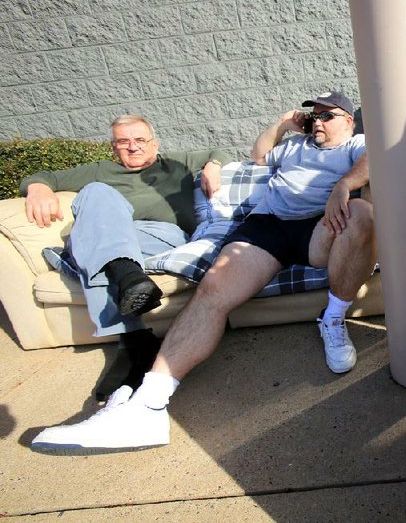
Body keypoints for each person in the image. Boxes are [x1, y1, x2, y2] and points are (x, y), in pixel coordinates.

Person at [30, 91, 378, 454]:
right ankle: (147, 405)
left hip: (320, 228)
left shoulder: (356, 145)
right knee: (213, 289)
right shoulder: (294, 146)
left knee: (363, 214)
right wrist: (281, 124)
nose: (318, 122)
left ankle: (333, 319)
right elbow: (258, 155)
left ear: (349, 120)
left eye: (328, 116)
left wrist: (343, 186)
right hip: (268, 226)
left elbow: (374, 160)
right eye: (314, 116)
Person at [20, 115, 230, 399]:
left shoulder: (174, 164)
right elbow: (45, 177)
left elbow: (217, 152)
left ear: (154, 144)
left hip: (162, 236)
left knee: (90, 247)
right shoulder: (101, 171)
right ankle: (129, 283)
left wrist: (213, 166)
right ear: (113, 147)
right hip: (115, 234)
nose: (133, 147)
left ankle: (132, 340)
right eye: (123, 141)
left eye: (140, 140)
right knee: (95, 194)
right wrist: (38, 189)